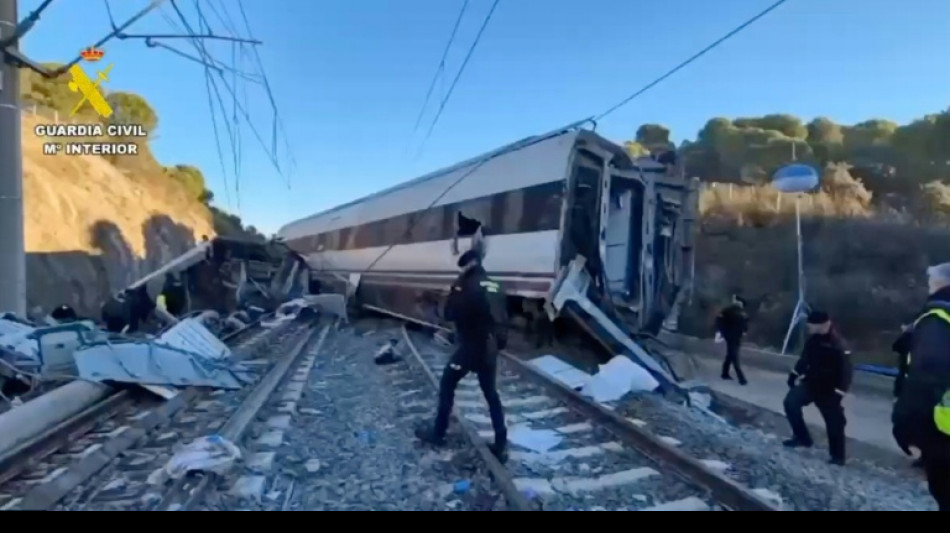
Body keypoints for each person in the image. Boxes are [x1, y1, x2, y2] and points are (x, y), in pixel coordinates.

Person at [416, 249, 509, 462]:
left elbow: (450, 314)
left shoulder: (465, 285)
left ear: (469, 264)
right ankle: (501, 443)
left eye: (463, 266)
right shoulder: (495, 284)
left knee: (447, 384)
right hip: (490, 348)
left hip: (470, 349)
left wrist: (451, 293)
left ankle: (438, 433)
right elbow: (503, 317)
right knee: (491, 394)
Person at [892, 263, 950, 511]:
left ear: (940, 285)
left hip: (942, 428)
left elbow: (924, 380)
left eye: (930, 282)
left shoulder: (936, 319)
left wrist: (903, 426)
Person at [783, 310, 852, 466]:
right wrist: (794, 373)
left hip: (829, 388)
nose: (809, 327)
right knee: (790, 403)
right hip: (811, 383)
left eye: (812, 325)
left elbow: (846, 371)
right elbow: (804, 359)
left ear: (824, 325)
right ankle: (802, 438)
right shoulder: (813, 340)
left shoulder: (838, 343)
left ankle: (837, 456)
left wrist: (840, 391)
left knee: (834, 422)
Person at [892, 319, 926, 469]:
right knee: (904, 421)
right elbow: (897, 347)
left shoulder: (924, 341)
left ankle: (926, 456)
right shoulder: (909, 340)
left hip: (919, 388)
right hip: (906, 385)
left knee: (924, 424)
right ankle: (920, 452)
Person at [716, 294, 749, 385]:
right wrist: (723, 332)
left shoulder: (741, 313)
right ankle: (741, 378)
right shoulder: (729, 311)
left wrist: (744, 331)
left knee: (730, 356)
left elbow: (744, 323)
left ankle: (724, 373)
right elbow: (720, 321)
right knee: (734, 357)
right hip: (731, 337)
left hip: (736, 337)